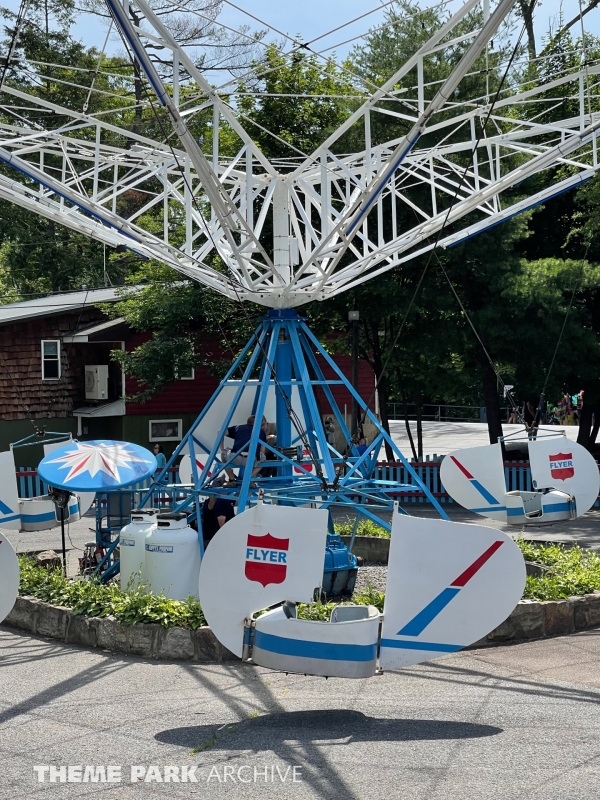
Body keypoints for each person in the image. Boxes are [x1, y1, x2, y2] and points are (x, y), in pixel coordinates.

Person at [220, 414, 267, 485]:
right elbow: (262, 451)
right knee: (263, 459)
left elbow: (219, 432)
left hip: (235, 457)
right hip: (251, 459)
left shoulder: (238, 427)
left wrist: (222, 449)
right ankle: (247, 478)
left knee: (223, 455)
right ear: (259, 424)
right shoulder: (261, 432)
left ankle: (231, 479)